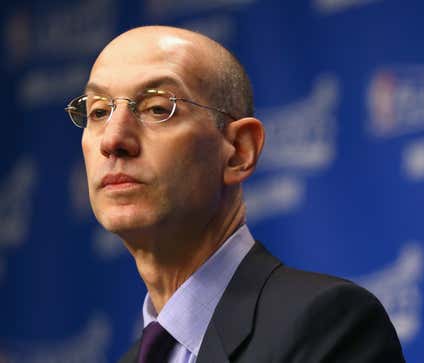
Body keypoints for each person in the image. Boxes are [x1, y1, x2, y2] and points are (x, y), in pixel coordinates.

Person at [66, 25, 405, 363]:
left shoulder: (325, 325)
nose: (113, 140)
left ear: (239, 151)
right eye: (98, 111)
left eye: (157, 108)